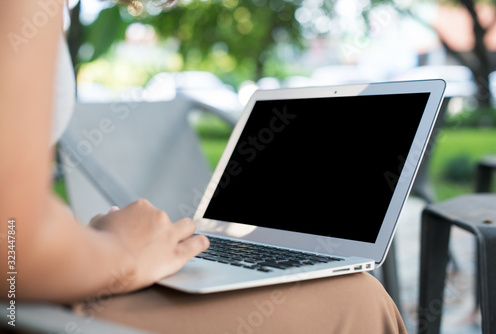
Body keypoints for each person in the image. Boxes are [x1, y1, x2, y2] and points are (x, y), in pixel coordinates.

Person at [0, 1, 406, 333]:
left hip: (24, 293)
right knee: (356, 298)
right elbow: (14, 248)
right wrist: (119, 253)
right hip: (20, 308)